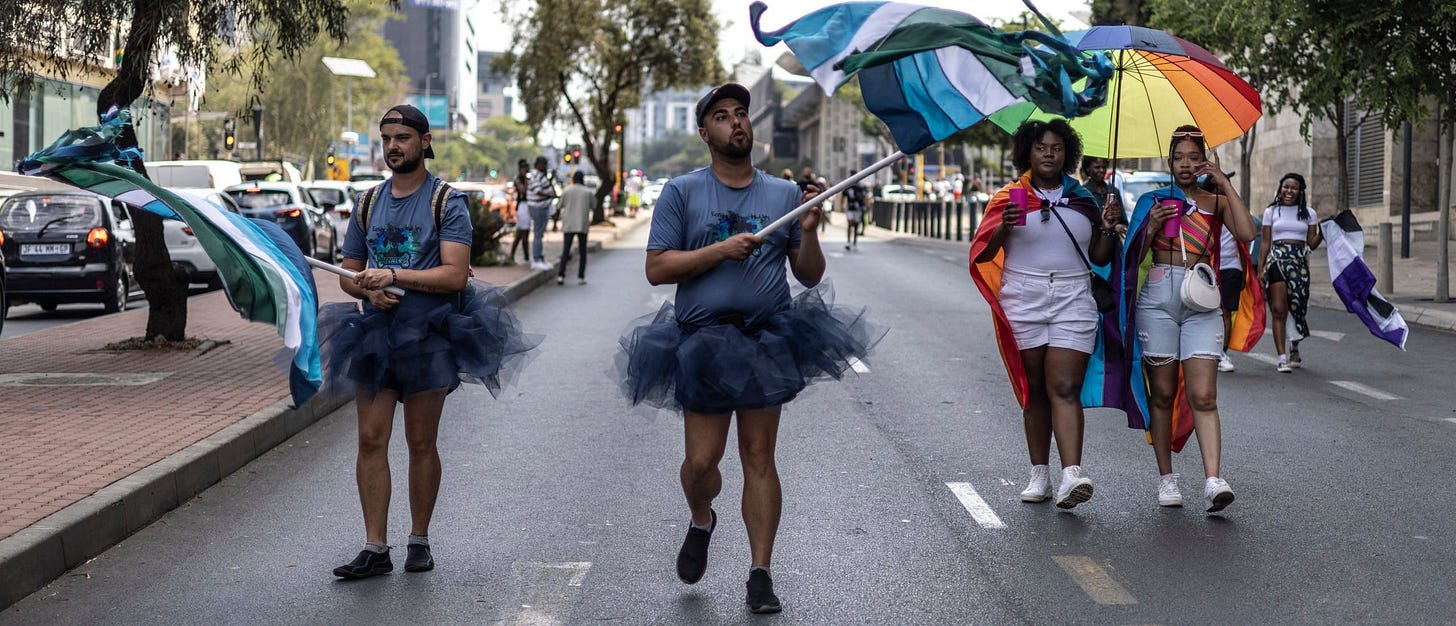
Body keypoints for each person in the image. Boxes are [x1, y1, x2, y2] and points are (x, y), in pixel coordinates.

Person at [615, 83, 884, 614]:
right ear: (704, 132)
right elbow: (657, 267)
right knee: (700, 462)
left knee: (760, 457)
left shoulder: (783, 195)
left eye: (741, 114)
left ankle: (760, 573)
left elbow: (808, 273)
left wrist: (808, 231)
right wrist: (719, 250)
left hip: (765, 338)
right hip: (702, 342)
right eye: (722, 116)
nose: (736, 123)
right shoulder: (682, 192)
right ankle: (701, 519)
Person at [321, 104, 538, 579]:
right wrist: (367, 288)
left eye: (402, 137)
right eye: (386, 139)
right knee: (370, 438)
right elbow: (348, 275)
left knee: (421, 441)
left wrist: (394, 274)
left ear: (425, 141)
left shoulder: (446, 201)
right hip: (375, 336)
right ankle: (375, 547)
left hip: (429, 337)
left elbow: (456, 274)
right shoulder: (367, 202)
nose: (393, 147)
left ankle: (419, 539)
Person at [970, 119, 1123, 511]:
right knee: (1034, 389)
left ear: (1067, 154)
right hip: (1023, 297)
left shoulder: (1085, 201)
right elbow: (983, 255)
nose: (1049, 154)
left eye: (1056, 148)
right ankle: (1040, 472)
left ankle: (1072, 474)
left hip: (1074, 299)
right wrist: (1002, 229)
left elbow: (1100, 259)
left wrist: (1107, 229)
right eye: (1041, 147)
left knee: (1064, 387)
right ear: (1027, 153)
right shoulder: (1008, 197)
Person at [1119, 125, 1259, 513]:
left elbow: (1247, 232)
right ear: (1169, 161)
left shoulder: (1215, 202)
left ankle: (1214, 480)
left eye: (1193, 157)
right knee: (1162, 395)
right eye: (1178, 157)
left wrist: (1224, 184)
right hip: (1158, 300)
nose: (1185, 164)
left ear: (1205, 160)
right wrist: (1149, 225)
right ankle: (1167, 479)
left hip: (1201, 301)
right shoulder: (1151, 200)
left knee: (1203, 395)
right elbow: (1132, 256)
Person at [1256, 173, 1321, 373]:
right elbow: (1265, 242)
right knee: (1278, 309)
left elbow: (1312, 243)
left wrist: (1324, 232)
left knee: (1298, 307)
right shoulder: (1272, 211)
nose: (1289, 191)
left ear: (1300, 191)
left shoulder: (1309, 213)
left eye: (1293, 188)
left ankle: (1294, 345)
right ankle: (1281, 357)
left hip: (1299, 263)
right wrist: (1260, 268)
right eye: (1286, 187)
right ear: (1280, 188)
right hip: (1276, 261)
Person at [556, 170, 594, 285]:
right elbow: (594, 205)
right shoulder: (587, 192)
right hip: (582, 224)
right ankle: (581, 277)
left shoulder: (566, 190)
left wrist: (554, 224)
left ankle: (561, 275)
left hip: (568, 224)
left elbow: (559, 207)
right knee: (583, 251)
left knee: (566, 250)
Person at [525, 156, 558, 270]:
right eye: (544, 164)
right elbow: (538, 190)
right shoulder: (535, 175)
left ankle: (540, 258)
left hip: (542, 207)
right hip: (537, 207)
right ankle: (536, 259)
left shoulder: (542, 175)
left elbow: (547, 186)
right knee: (538, 234)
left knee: (540, 234)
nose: (546, 167)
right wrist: (550, 195)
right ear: (538, 164)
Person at [509, 159, 531, 264]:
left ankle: (526, 256)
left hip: (527, 206)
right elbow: (523, 190)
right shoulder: (518, 179)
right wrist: (526, 180)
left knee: (525, 234)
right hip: (522, 207)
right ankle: (513, 255)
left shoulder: (527, 178)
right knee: (521, 233)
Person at [843, 173, 867, 251]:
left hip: (858, 209)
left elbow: (864, 197)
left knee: (856, 226)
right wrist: (842, 206)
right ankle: (848, 242)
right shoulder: (848, 186)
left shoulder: (860, 186)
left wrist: (865, 206)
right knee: (850, 224)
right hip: (850, 208)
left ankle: (855, 242)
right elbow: (844, 196)